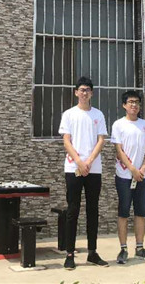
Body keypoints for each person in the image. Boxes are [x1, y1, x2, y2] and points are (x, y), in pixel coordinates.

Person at [59, 76, 109, 270]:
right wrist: (79, 162)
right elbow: (66, 141)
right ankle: (70, 254)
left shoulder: (98, 114)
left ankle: (92, 252)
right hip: (74, 168)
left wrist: (88, 162)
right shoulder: (69, 114)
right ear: (76, 92)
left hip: (93, 169)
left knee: (92, 210)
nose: (84, 93)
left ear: (92, 93)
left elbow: (101, 140)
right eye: (81, 89)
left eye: (87, 90)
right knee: (73, 210)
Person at [111, 90, 145, 264]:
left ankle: (140, 248)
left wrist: (143, 168)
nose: (134, 105)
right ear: (124, 105)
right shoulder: (118, 125)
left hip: (142, 176)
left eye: (136, 102)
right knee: (123, 212)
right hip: (124, 175)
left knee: (140, 212)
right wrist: (132, 169)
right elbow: (119, 150)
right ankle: (123, 249)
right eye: (130, 102)